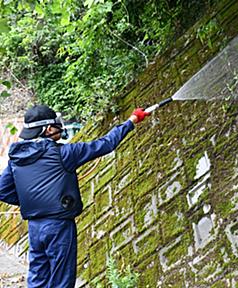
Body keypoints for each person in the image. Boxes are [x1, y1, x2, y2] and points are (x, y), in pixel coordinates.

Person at [0, 104, 150, 288]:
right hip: (59, 226)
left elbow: (2, 190)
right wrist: (131, 120)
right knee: (62, 280)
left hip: (34, 227)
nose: (60, 129)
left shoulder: (17, 157)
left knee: (38, 278)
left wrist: (32, 200)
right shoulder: (64, 153)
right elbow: (106, 144)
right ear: (47, 129)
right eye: (57, 125)